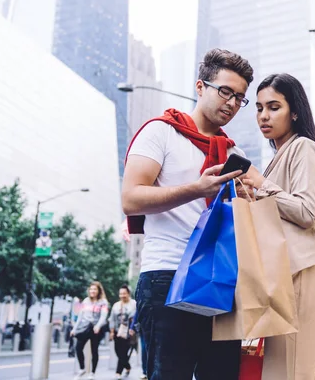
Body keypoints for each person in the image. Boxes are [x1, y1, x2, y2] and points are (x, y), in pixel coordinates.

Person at [122, 48, 254, 380]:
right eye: (225, 91)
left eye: (240, 98)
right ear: (200, 87)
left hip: (222, 279)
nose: (232, 103)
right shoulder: (161, 132)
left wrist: (247, 200)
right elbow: (131, 198)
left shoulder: (234, 153)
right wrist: (196, 189)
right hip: (167, 274)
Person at [241, 73, 315, 380]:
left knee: (288, 371)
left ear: (294, 111)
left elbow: (306, 211)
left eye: (273, 107)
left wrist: (261, 185)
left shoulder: (303, 147)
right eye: (258, 108)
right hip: (290, 272)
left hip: (302, 272)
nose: (263, 116)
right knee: (306, 369)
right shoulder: (280, 155)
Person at [70, 281, 109, 379]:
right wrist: (74, 329)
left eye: (95, 289)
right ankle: (82, 368)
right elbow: (80, 316)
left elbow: (103, 316)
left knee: (94, 350)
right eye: (91, 289)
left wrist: (98, 326)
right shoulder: (85, 301)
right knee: (78, 347)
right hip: (85, 328)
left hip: (96, 329)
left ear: (99, 291)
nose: (92, 291)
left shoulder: (103, 302)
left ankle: (92, 372)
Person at [109, 285, 137, 379]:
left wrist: (135, 329)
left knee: (123, 352)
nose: (122, 295)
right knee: (118, 351)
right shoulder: (116, 305)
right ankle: (128, 367)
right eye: (121, 293)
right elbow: (112, 319)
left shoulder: (134, 304)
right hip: (118, 332)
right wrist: (112, 332)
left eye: (124, 293)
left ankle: (118, 372)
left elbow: (137, 317)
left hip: (129, 332)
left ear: (128, 293)